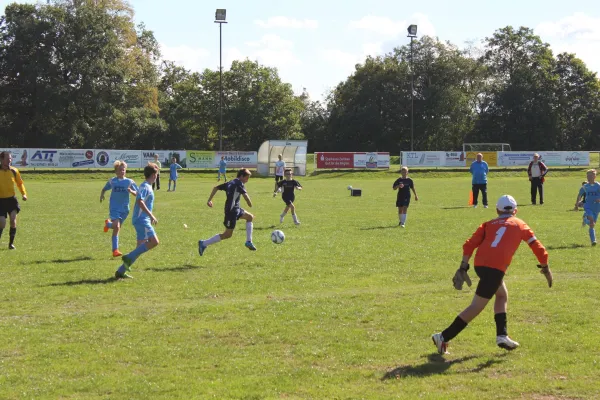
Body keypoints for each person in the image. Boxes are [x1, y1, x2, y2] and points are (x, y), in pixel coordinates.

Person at [431, 195, 552, 355]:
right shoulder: (520, 224)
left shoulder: (488, 224)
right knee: (476, 306)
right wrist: (545, 267)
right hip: (495, 268)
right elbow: (538, 247)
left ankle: (502, 334)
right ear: (515, 211)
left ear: (497, 210)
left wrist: (463, 266)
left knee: (502, 295)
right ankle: (443, 336)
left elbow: (469, 244)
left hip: (480, 265)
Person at [115, 163, 159, 279]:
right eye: (157, 174)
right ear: (153, 174)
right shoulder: (145, 186)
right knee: (154, 241)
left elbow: (139, 196)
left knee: (139, 248)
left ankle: (120, 271)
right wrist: (151, 215)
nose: (157, 176)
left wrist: (132, 192)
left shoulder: (145, 186)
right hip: (142, 219)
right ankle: (128, 256)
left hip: (140, 219)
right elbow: (140, 201)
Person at [198, 168, 256, 255]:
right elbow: (245, 195)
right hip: (231, 212)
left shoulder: (230, 182)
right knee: (227, 235)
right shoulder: (239, 183)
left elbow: (216, 188)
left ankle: (249, 241)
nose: (247, 180)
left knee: (250, 217)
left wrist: (209, 200)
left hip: (236, 209)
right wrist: (250, 203)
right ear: (241, 176)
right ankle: (203, 243)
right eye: (247, 178)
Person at [100, 161, 138, 257]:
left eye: (123, 170)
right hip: (114, 207)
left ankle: (108, 224)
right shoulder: (112, 181)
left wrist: (131, 191)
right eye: (120, 170)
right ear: (116, 172)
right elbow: (104, 188)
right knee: (117, 227)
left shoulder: (129, 182)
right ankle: (115, 250)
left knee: (116, 228)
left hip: (125, 209)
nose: (122, 171)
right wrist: (102, 195)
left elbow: (138, 193)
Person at [0, 151, 27, 249]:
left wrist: (24, 194)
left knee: (13, 220)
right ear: (2, 159)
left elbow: (20, 183)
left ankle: (11, 244)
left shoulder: (14, 171)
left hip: (11, 200)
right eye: (7, 159)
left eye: (11, 158)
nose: (10, 160)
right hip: (0, 201)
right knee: (2, 222)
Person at [574, 169, 600, 246]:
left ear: (595, 176)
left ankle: (585, 220)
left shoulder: (598, 186)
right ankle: (593, 240)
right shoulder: (585, 186)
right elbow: (579, 195)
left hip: (597, 207)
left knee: (592, 224)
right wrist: (576, 205)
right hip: (588, 206)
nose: (589, 177)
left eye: (591, 176)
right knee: (592, 221)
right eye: (588, 176)